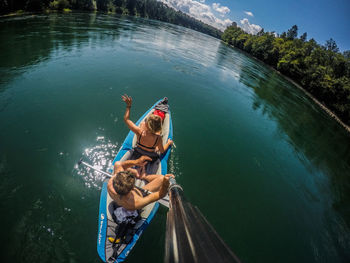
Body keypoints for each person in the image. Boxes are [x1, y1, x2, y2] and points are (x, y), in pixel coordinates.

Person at [107, 155, 173, 210]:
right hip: (132, 203)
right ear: (133, 188)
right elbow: (160, 195)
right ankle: (144, 177)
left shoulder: (110, 184)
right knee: (161, 178)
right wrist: (165, 184)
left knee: (118, 164)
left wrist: (137, 162)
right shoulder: (137, 202)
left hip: (118, 201)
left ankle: (138, 174)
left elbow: (119, 164)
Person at [121, 94, 173, 162]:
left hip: (137, 153)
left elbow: (126, 119)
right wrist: (168, 143)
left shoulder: (139, 131)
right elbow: (162, 151)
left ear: (147, 125)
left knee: (142, 124)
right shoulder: (158, 138)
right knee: (157, 138)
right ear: (159, 127)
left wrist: (128, 106)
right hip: (150, 157)